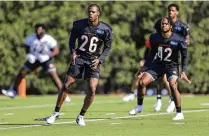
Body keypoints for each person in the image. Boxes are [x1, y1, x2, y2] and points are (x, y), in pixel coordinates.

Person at [45, 4, 112, 126]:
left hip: (93, 60)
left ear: (98, 14)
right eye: (89, 12)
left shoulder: (106, 29)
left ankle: (81, 116)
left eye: (93, 12)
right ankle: (55, 113)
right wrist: (73, 52)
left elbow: (108, 47)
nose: (90, 14)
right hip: (80, 58)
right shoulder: (79, 24)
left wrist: (100, 59)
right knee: (66, 85)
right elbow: (72, 40)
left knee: (92, 89)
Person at [129, 17, 191, 120]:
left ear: (171, 26)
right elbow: (152, 53)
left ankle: (179, 112)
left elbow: (184, 55)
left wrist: (183, 71)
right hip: (157, 65)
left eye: (166, 24)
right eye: (162, 24)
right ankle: (139, 106)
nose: (164, 25)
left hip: (172, 66)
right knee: (141, 82)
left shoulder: (178, 39)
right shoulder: (154, 37)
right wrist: (145, 66)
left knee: (172, 85)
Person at [1, 23, 71, 102]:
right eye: (37, 29)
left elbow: (56, 50)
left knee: (53, 75)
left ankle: (63, 94)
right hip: (34, 59)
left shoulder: (49, 39)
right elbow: (26, 47)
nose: (38, 31)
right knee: (22, 72)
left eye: (40, 29)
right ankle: (13, 91)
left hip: (46, 59)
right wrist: (29, 55)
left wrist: (48, 56)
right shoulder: (30, 38)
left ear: (44, 30)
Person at [153, 3, 190, 113]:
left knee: (168, 79)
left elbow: (187, 39)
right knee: (159, 77)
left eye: (173, 10)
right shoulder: (164, 23)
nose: (170, 12)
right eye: (169, 10)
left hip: (173, 54)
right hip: (162, 51)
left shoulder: (182, 26)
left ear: (177, 12)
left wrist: (183, 43)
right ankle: (159, 99)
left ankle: (172, 99)